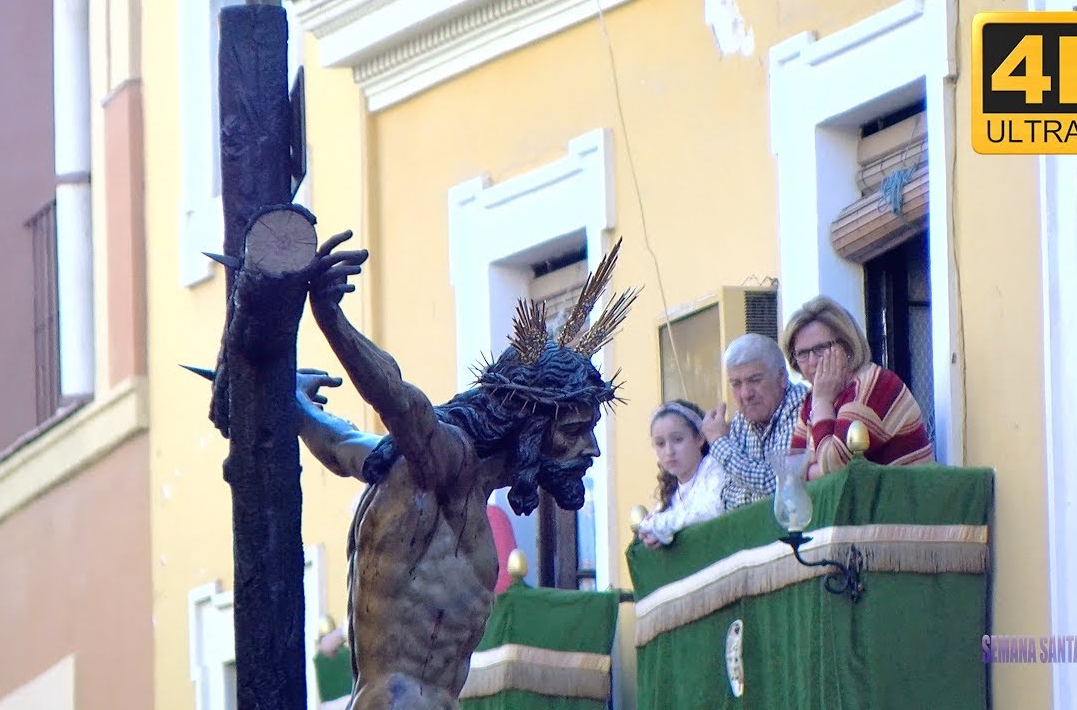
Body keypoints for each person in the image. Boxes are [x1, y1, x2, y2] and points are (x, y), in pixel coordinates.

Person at [297, 231, 637, 710]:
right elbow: (398, 399)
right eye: (575, 429)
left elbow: (349, 446)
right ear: (530, 426)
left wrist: (298, 406)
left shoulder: (433, 475)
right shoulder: (445, 465)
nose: (592, 449)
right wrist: (331, 320)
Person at [781, 295, 934, 479]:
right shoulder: (815, 396)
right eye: (802, 353)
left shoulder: (873, 385)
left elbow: (834, 471)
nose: (812, 361)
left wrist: (822, 402)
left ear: (847, 346)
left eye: (821, 348)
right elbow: (790, 470)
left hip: (905, 502)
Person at [700, 333, 809, 510]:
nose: (745, 394)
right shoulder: (740, 421)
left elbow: (778, 484)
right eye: (736, 384)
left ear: (782, 377)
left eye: (755, 380)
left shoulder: (801, 406)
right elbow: (726, 496)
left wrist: (719, 443)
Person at [637, 400, 726, 548]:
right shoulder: (670, 495)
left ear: (699, 438)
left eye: (678, 440)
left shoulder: (715, 468)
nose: (669, 451)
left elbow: (712, 510)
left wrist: (660, 524)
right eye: (660, 443)